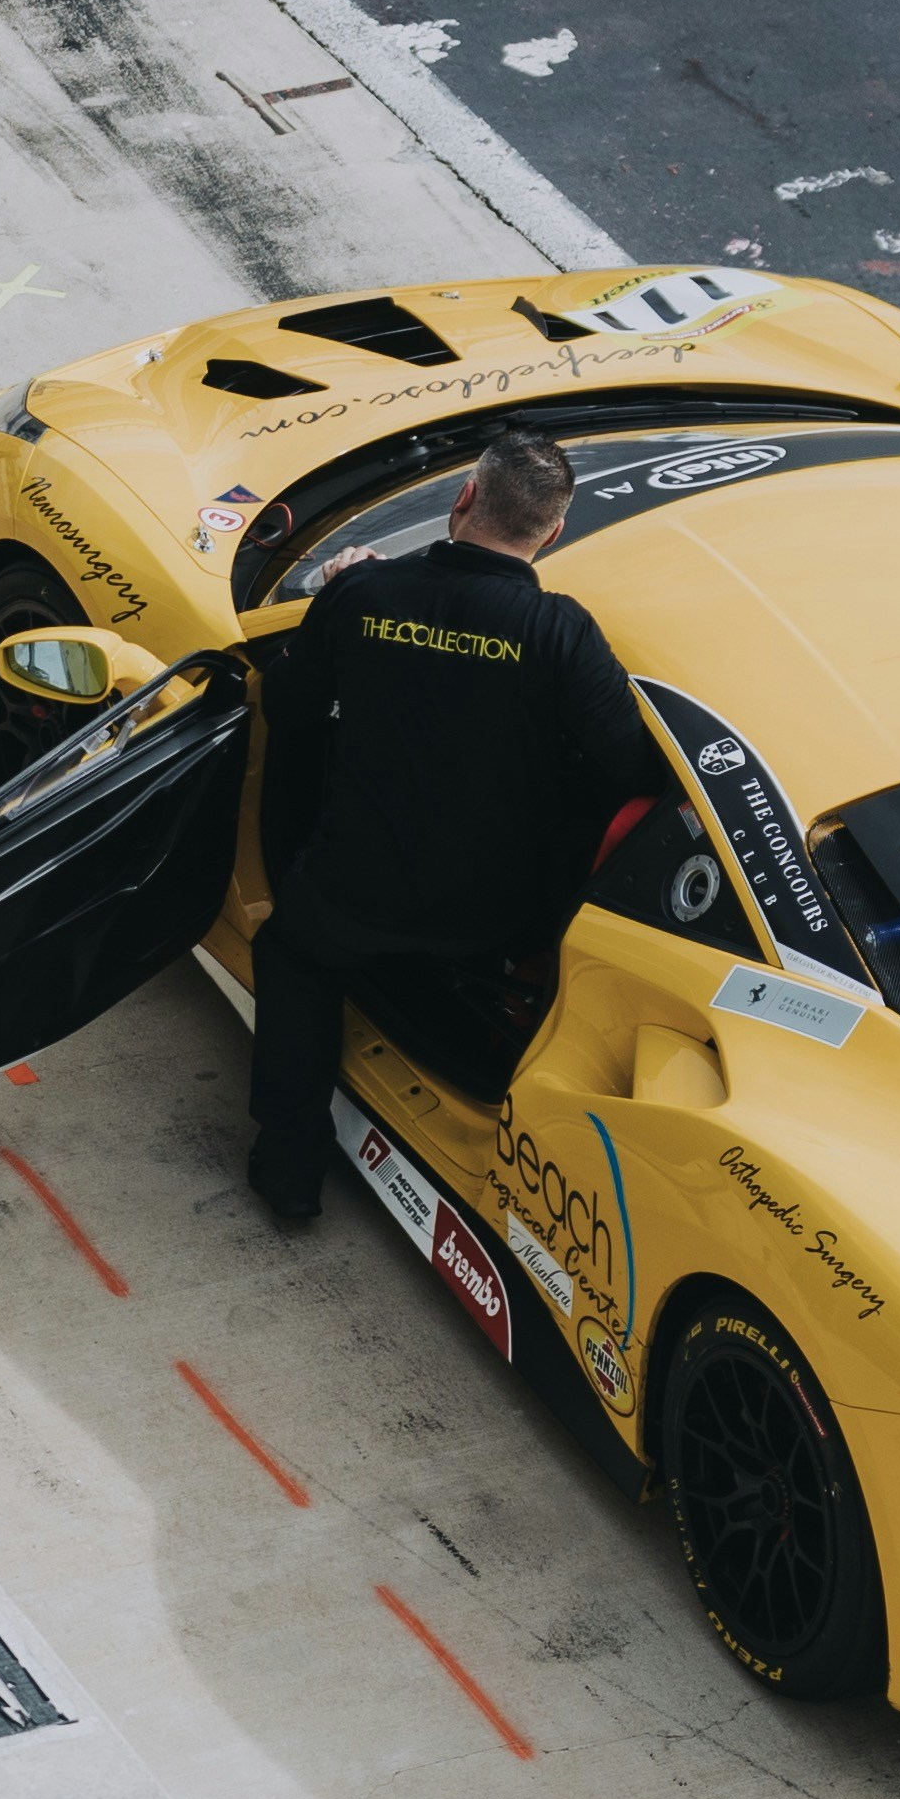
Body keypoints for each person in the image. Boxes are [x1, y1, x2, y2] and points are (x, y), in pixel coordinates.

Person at [246, 429, 660, 1222]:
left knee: (293, 955)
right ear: (552, 533)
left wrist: (333, 596)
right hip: (495, 925)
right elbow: (635, 770)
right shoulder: (562, 632)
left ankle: (288, 1175)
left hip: (353, 899)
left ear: (463, 499)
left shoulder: (364, 595)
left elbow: (288, 707)